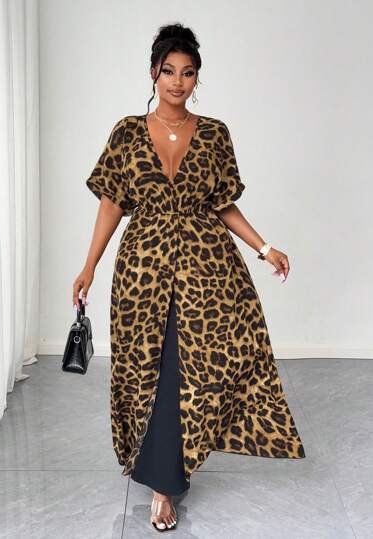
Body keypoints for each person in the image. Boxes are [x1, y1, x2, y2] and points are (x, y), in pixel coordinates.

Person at [73, 22, 305, 532]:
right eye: (169, 71)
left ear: (197, 78)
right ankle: (161, 474)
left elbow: (223, 204)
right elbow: (112, 202)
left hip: (207, 269)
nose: (178, 81)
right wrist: (89, 264)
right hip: (143, 269)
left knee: (191, 371)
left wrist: (265, 248)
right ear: (153, 73)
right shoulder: (127, 132)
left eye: (188, 72)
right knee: (150, 369)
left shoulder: (215, 133)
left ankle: (167, 482)